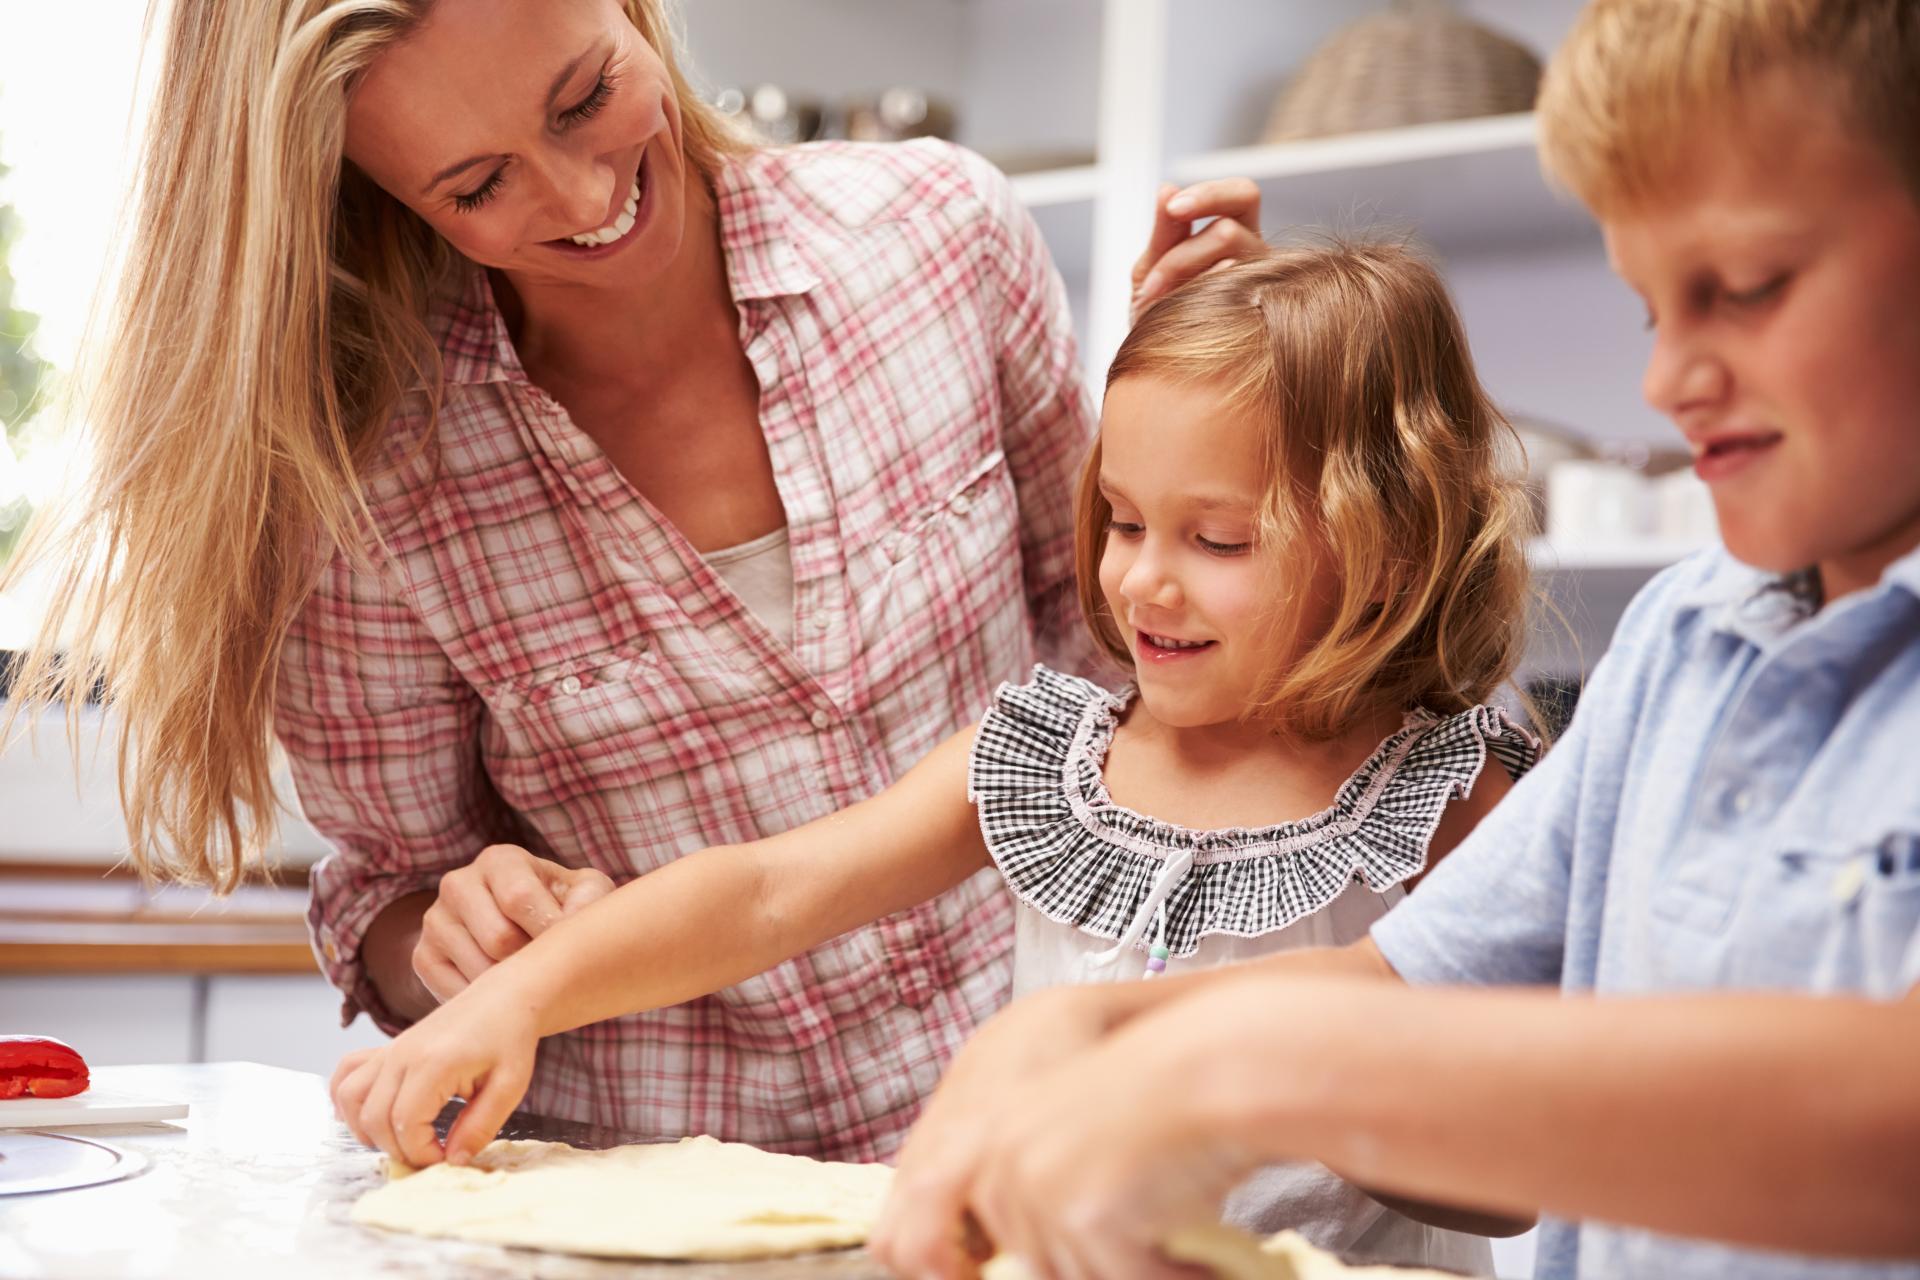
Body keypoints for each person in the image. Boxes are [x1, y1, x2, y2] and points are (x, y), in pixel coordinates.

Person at [868, 1, 1920, 1277]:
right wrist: (1088, 1036)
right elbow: (1407, 984)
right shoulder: (1682, 646)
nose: (1666, 381)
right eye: (1651, 310)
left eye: (1746, 290)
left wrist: (1232, 1067)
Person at [0, 0, 1100, 1159]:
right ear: (379, 192)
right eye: (477, 187)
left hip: (1041, 1137)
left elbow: (1112, 666)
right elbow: (387, 896)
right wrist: (458, 934)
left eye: (584, 98)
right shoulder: (369, 489)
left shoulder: (943, 232)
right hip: (645, 1196)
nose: (585, 200)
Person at [331, 242, 1542, 1274]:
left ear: (1386, 541)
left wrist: (1261, 1093)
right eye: (1122, 519)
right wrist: (515, 999)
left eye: (1218, 537)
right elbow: (766, 891)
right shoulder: (1052, 754)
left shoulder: (1440, 797)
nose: (1141, 577)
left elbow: (1504, 1185)